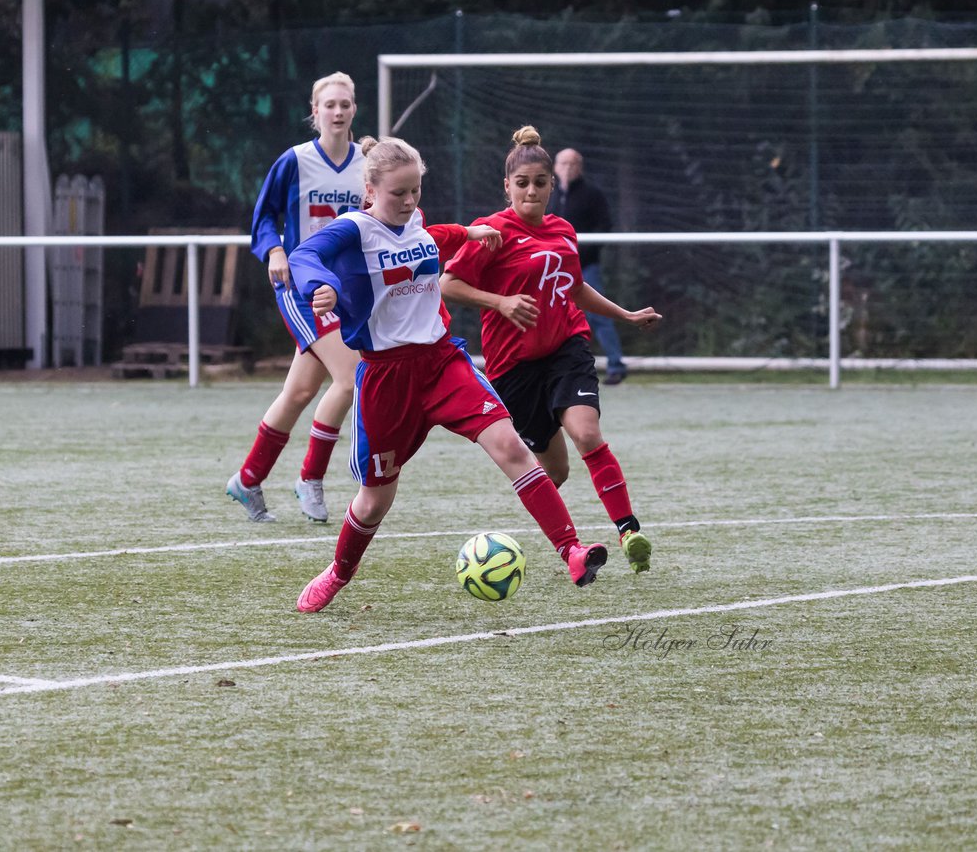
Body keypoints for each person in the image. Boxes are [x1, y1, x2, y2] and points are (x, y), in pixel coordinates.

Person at [286, 135, 610, 613]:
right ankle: (338, 573)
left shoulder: (412, 219)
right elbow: (303, 257)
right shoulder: (353, 230)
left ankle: (573, 552)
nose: (411, 201)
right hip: (386, 379)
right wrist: (326, 286)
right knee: (375, 501)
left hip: (442, 363)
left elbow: (429, 237)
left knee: (511, 446)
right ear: (371, 190)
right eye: (399, 193)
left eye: (416, 190)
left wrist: (469, 233)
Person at [440, 127, 660, 574]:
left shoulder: (563, 231)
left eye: (540, 182)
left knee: (587, 434)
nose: (531, 190)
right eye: (522, 183)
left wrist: (626, 315)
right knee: (554, 472)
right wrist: (499, 302)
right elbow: (448, 284)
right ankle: (559, 543)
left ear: (551, 185)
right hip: (514, 368)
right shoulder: (492, 231)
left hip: (565, 349)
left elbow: (574, 289)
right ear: (507, 186)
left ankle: (628, 531)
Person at [226, 71, 366, 524]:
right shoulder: (295, 161)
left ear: (354, 108)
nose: (338, 111)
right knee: (350, 376)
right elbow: (263, 216)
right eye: (330, 105)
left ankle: (247, 480)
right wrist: (275, 250)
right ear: (315, 112)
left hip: (345, 290)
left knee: (301, 389)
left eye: (345, 104)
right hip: (303, 287)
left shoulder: (369, 160)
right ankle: (311, 477)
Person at [548, 147, 627, 385]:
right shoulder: (548, 196)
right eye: (563, 163)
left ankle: (615, 365)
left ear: (580, 167)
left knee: (599, 314)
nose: (567, 168)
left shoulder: (592, 195)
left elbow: (604, 227)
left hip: (585, 267)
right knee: (552, 314)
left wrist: (580, 253)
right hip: (552, 269)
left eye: (572, 164)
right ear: (555, 167)